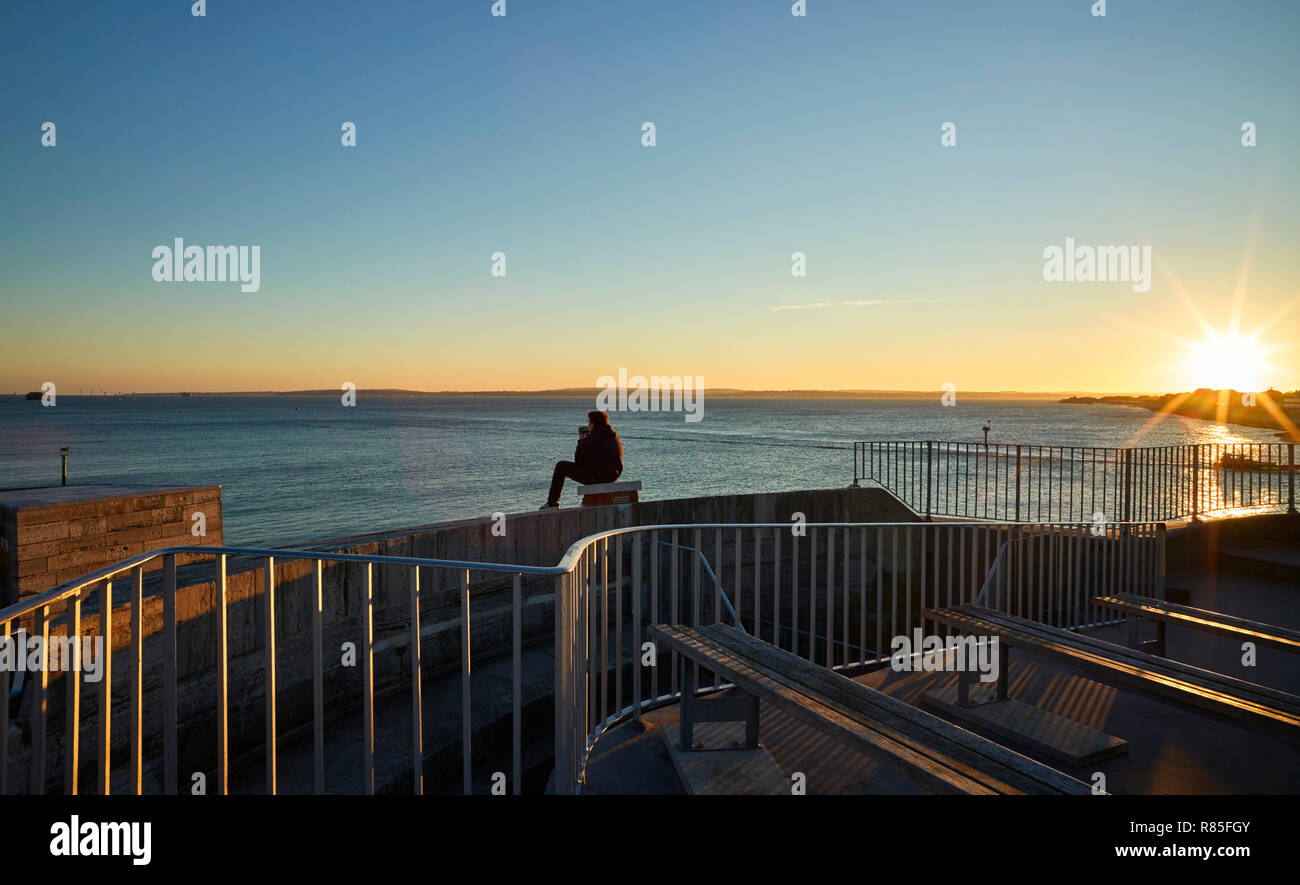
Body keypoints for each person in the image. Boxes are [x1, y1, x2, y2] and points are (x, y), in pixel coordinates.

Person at [541, 410, 623, 508]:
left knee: (561, 466)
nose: (588, 426)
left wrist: (581, 440)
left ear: (592, 424)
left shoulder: (589, 439)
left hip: (595, 478)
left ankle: (552, 503)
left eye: (589, 423)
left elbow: (578, 461)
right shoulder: (615, 437)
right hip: (612, 477)